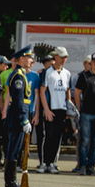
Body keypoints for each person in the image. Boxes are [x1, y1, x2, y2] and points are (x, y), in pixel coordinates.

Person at [3, 45, 35, 187]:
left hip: (17, 116)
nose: (30, 60)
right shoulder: (18, 76)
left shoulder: (20, 74)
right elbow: (18, 100)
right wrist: (24, 119)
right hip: (17, 118)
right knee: (13, 149)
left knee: (15, 148)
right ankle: (10, 181)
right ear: (21, 59)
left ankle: (11, 179)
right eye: (28, 57)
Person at [73, 52, 95, 176]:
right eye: (94, 61)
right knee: (84, 140)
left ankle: (91, 166)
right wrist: (80, 107)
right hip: (86, 113)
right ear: (91, 62)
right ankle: (82, 165)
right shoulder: (84, 76)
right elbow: (77, 93)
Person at [38, 46, 72, 174]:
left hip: (62, 110)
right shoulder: (48, 72)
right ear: (55, 57)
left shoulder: (67, 73)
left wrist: (69, 108)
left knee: (57, 137)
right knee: (48, 136)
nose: (64, 59)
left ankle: (52, 162)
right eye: (62, 57)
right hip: (50, 108)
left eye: (65, 57)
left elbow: (68, 91)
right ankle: (44, 163)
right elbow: (42, 91)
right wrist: (46, 109)